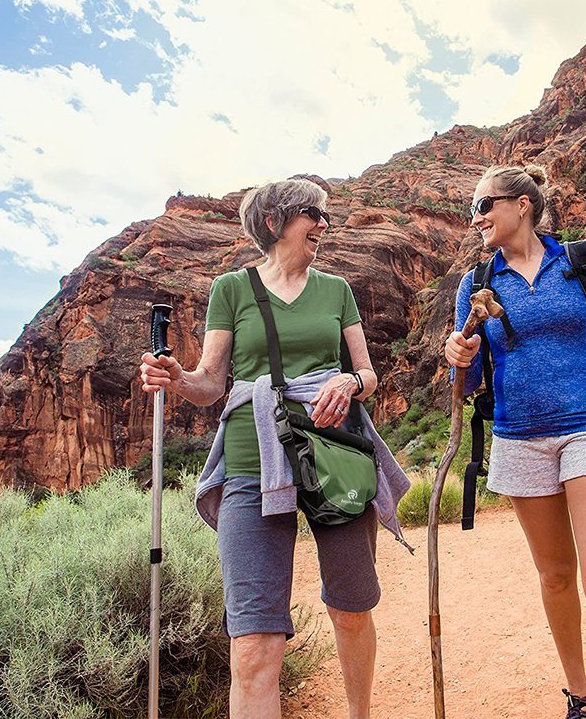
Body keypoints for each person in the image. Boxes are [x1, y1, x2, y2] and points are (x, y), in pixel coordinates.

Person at [140, 177, 409, 719]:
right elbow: (211, 383)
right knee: (253, 642)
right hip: (249, 462)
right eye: (315, 215)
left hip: (334, 454)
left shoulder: (337, 290)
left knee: (352, 610)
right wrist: (177, 378)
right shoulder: (230, 289)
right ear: (274, 222)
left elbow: (368, 372)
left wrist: (351, 384)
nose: (325, 226)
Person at [444, 164, 586, 719]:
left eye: (483, 205)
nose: (476, 218)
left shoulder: (583, 264)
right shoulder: (476, 284)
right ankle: (581, 696)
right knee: (556, 575)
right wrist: (459, 360)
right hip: (520, 439)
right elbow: (468, 385)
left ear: (521, 204)